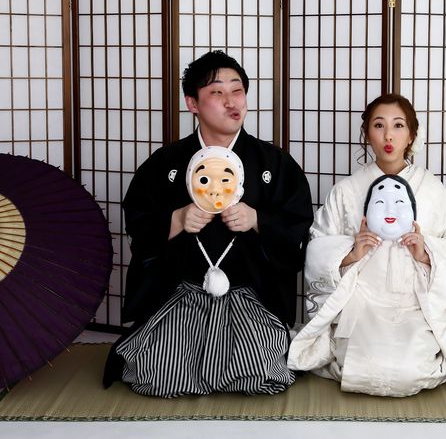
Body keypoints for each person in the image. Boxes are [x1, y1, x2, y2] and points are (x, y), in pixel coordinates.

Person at [287, 93, 446, 397]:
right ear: (367, 133)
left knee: (407, 372)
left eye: (398, 125)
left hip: (417, 306)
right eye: (379, 125)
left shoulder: (431, 189)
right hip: (361, 305)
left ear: (411, 135)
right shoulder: (347, 191)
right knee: (365, 368)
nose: (388, 136)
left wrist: (426, 251)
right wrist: (351, 252)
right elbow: (317, 247)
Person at [103, 50, 313, 397]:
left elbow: (297, 225)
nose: (232, 101)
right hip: (180, 294)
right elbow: (139, 221)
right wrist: (177, 219)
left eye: (237, 90)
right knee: (158, 373)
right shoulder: (166, 163)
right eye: (217, 92)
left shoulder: (273, 163)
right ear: (193, 103)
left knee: (261, 372)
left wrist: (257, 220)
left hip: (251, 296)